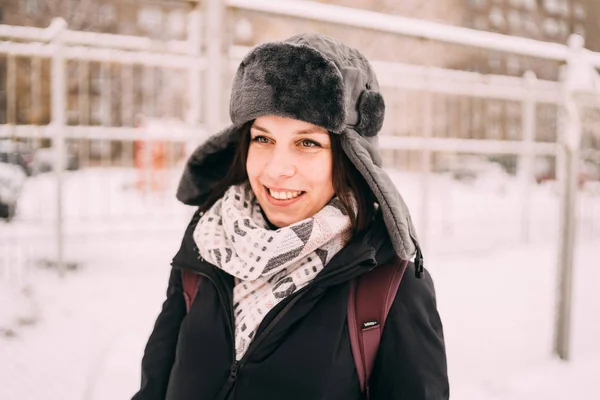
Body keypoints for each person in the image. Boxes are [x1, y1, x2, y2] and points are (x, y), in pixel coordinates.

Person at [132, 33, 449, 400]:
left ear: (349, 158)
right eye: (263, 139)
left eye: (307, 143)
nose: (277, 169)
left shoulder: (389, 284)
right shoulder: (208, 242)